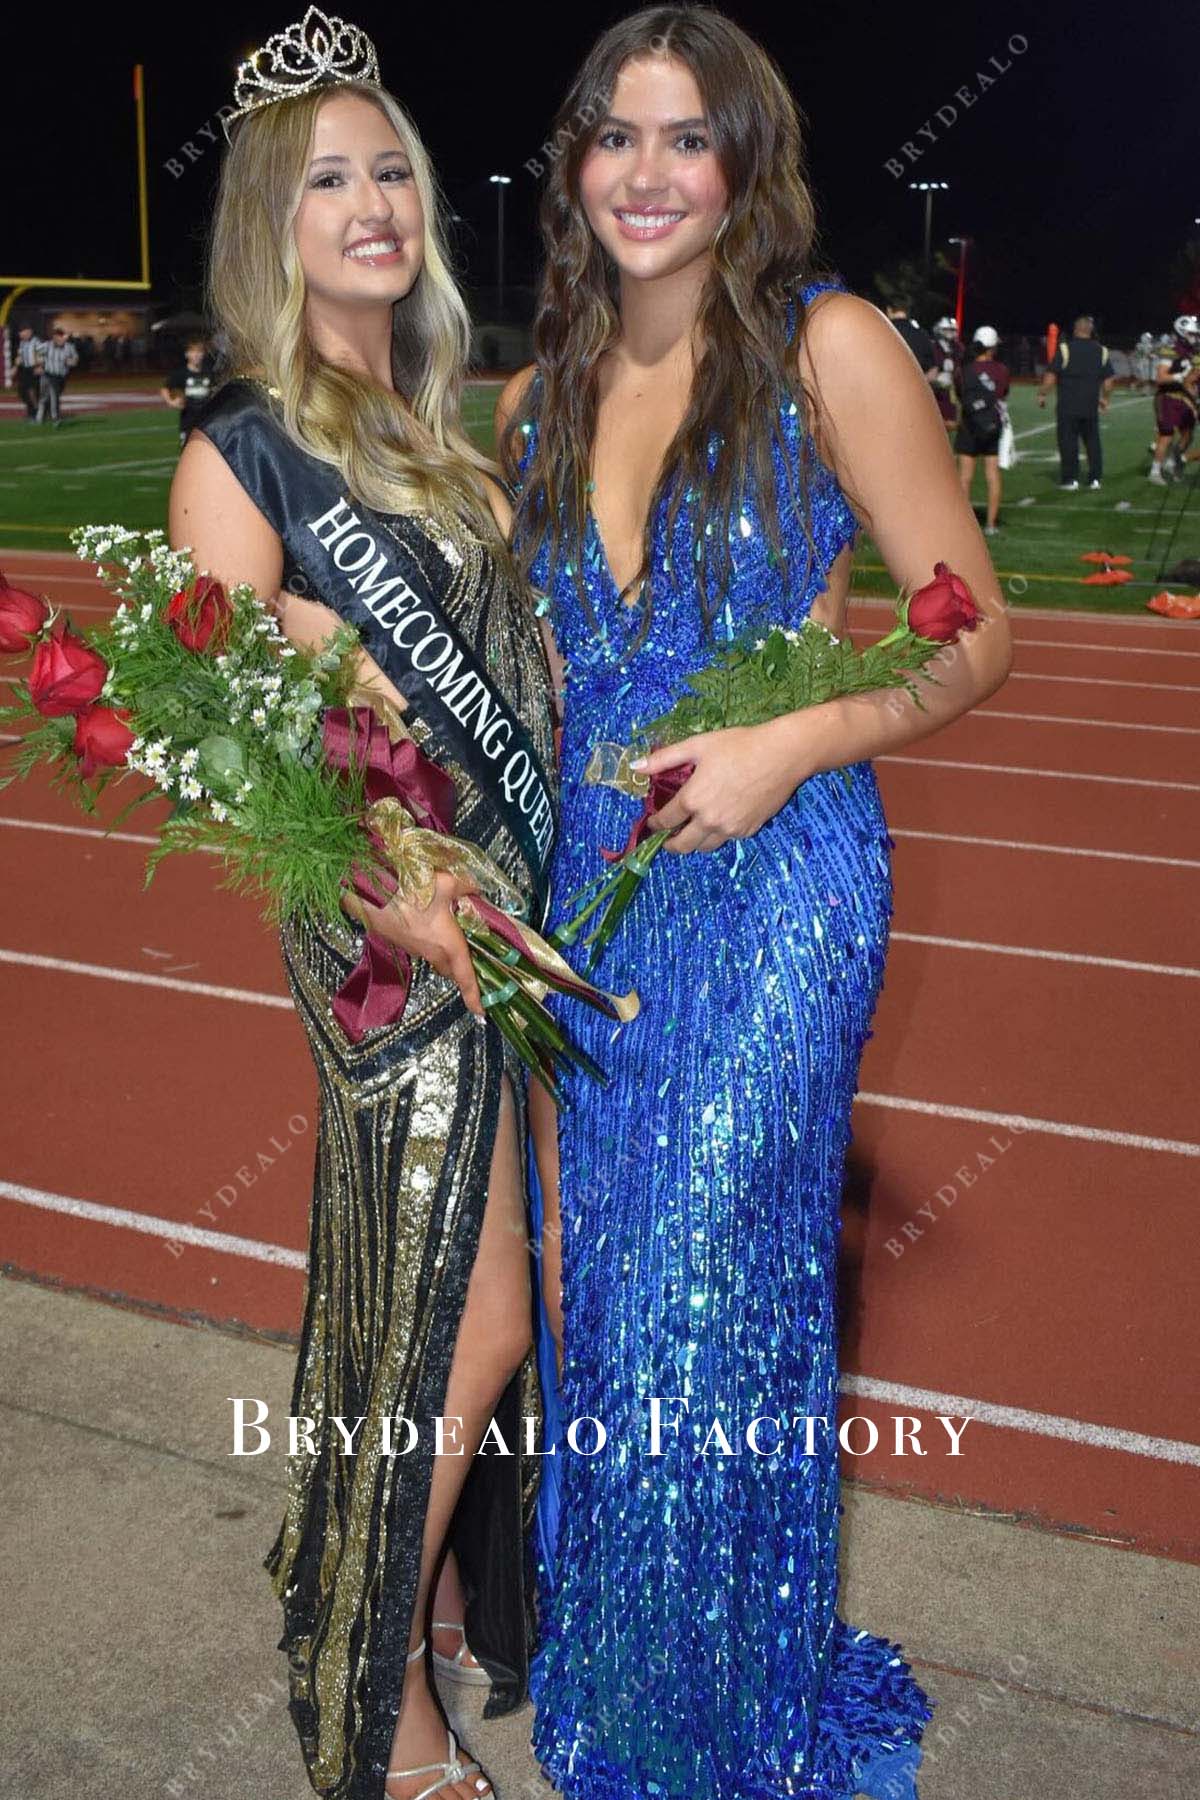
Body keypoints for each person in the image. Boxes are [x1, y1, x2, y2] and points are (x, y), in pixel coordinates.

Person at [497, 8, 1012, 1798]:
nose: (647, 175)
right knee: (624, 1292)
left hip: (781, 879)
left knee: (715, 1283)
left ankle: (718, 1733)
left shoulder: (829, 346)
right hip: (597, 901)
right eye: (614, 138)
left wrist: (794, 741)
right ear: (575, 166)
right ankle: (648, 1681)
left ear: (742, 165)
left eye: (684, 139)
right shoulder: (533, 394)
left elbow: (975, 629)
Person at [168, 14, 558, 1799]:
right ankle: (371, 1692)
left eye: (391, 166)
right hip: (391, 955)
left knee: (445, 1309)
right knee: (450, 1319)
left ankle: (375, 1591)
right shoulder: (240, 451)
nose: (376, 200)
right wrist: (396, 915)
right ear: (271, 217)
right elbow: (227, 768)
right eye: (330, 177)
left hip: (497, 920)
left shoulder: (428, 416)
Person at [1037, 313, 1116, 490]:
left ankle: (1070, 479)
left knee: (1068, 443)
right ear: (1091, 330)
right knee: (1093, 443)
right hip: (1090, 407)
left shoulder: (1065, 349)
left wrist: (1042, 394)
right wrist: (1105, 399)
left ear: (1075, 330)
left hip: (1068, 407)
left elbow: (1051, 376)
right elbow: (1109, 382)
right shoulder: (1101, 351)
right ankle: (1095, 478)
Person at [954, 325, 1010, 533]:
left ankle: (962, 525)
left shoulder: (963, 370)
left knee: (964, 477)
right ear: (992, 347)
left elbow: (960, 395)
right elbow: (1003, 394)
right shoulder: (1002, 370)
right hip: (992, 425)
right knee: (992, 474)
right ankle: (991, 524)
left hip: (969, 425)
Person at [1148, 315, 1199, 485]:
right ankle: (1155, 471)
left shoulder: (1191, 352)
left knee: (1188, 434)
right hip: (1167, 397)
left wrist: (1194, 397)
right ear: (1182, 332)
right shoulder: (1171, 349)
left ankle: (1171, 463)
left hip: (1184, 398)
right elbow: (1160, 378)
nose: (1195, 337)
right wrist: (1180, 376)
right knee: (1166, 436)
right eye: (1192, 334)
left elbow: (1191, 379)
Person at [159, 338, 216, 446]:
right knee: (187, 450)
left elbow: (216, 389)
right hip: (188, 420)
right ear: (187, 354)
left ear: (203, 354)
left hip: (207, 419)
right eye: (193, 352)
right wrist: (171, 402)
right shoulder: (181, 373)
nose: (196, 355)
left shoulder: (209, 373)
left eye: (199, 352)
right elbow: (165, 388)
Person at [35, 325, 78, 425]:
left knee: (49, 396)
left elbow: (75, 359)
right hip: (49, 374)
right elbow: (36, 351)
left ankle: (41, 416)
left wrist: (71, 362)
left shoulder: (69, 347)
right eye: (56, 338)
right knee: (54, 395)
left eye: (61, 338)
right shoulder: (47, 345)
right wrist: (39, 365)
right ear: (54, 338)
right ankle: (55, 418)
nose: (59, 340)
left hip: (62, 376)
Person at [883, 301, 936, 382]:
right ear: (907, 312)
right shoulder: (922, 334)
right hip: (915, 389)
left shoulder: (882, 331)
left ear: (889, 310)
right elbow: (933, 370)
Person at [929, 315, 961, 434]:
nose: (950, 333)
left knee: (950, 425)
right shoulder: (932, 346)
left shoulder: (957, 347)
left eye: (952, 330)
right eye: (947, 329)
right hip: (934, 391)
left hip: (950, 392)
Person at [11, 327, 45, 420]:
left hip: (34, 369)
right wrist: (15, 367)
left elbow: (43, 354)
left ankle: (36, 412)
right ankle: (33, 410)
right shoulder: (22, 343)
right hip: (24, 369)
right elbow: (20, 356)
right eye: (20, 333)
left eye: (22, 332)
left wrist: (40, 366)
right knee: (22, 391)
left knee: (32, 391)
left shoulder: (37, 341)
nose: (20, 334)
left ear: (29, 332)